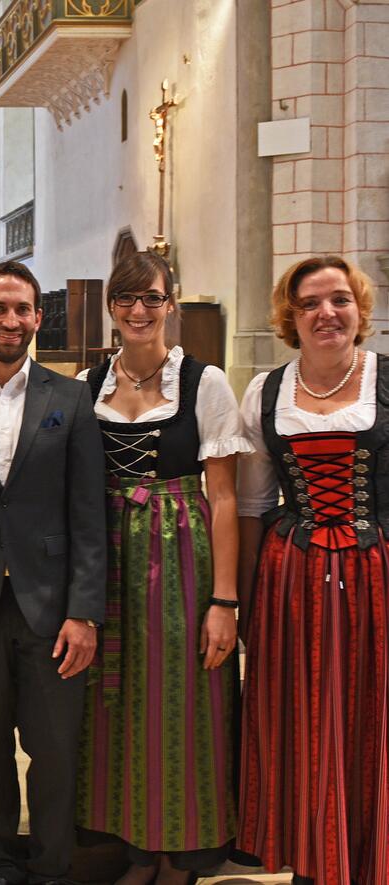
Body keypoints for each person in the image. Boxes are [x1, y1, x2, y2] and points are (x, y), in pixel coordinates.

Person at [74, 252, 247, 883]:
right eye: (126, 299)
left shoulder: (205, 382)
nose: (139, 311)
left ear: (170, 303)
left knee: (182, 703)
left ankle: (181, 857)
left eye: (151, 298)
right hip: (108, 557)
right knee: (117, 708)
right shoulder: (90, 385)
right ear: (112, 308)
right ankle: (138, 852)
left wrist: (224, 602)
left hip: (180, 563)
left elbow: (224, 496)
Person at [0, 260, 105, 885]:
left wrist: (84, 611)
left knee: (55, 751)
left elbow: (88, 513)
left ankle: (51, 866)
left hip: (52, 606)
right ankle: (0, 863)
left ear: (38, 318)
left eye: (22, 310)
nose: (10, 321)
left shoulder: (69, 398)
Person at [236, 255, 389, 885]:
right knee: (298, 716)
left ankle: (371, 856)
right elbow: (250, 507)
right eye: (310, 304)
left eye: (339, 300)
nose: (327, 313)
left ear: (359, 310)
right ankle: (313, 857)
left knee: (370, 716)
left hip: (377, 573)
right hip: (291, 578)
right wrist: (242, 600)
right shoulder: (266, 392)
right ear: (290, 318)